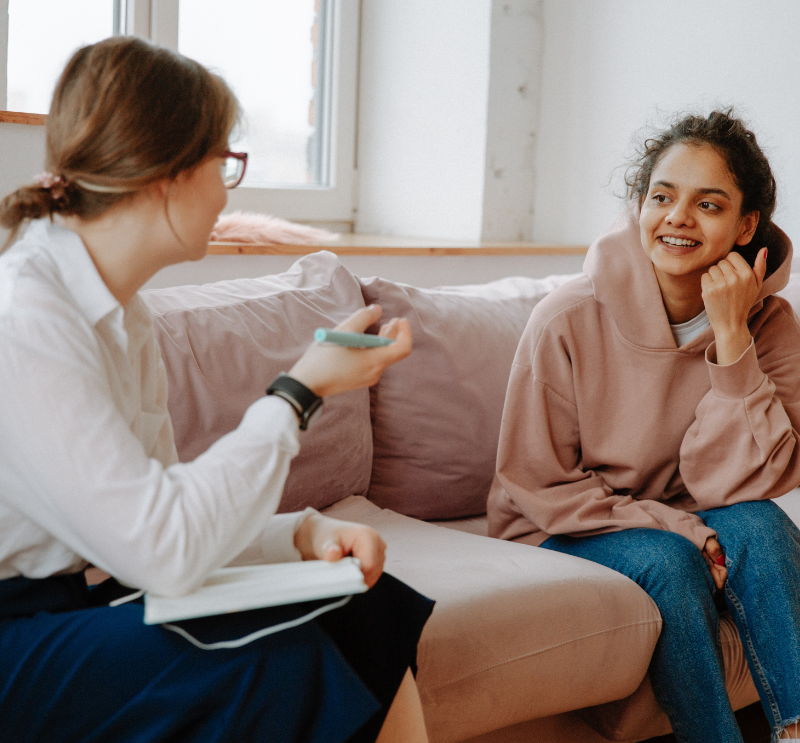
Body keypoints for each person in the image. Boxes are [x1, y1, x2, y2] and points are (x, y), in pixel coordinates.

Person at [0, 36, 433, 743]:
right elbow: (163, 550)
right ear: (168, 172)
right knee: (276, 662)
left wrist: (301, 532)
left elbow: (169, 508)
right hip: (18, 630)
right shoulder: (27, 319)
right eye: (224, 162)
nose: (230, 186)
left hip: (81, 604)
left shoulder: (123, 315)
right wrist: (295, 394)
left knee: (362, 608)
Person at [487, 110, 800, 743]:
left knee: (765, 526)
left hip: (695, 518)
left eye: (707, 204)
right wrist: (679, 526)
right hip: (559, 527)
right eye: (662, 196)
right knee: (667, 560)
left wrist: (732, 340)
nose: (678, 217)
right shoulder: (566, 319)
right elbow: (537, 482)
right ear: (640, 206)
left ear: (745, 226)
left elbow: (759, 481)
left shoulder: (770, 325)